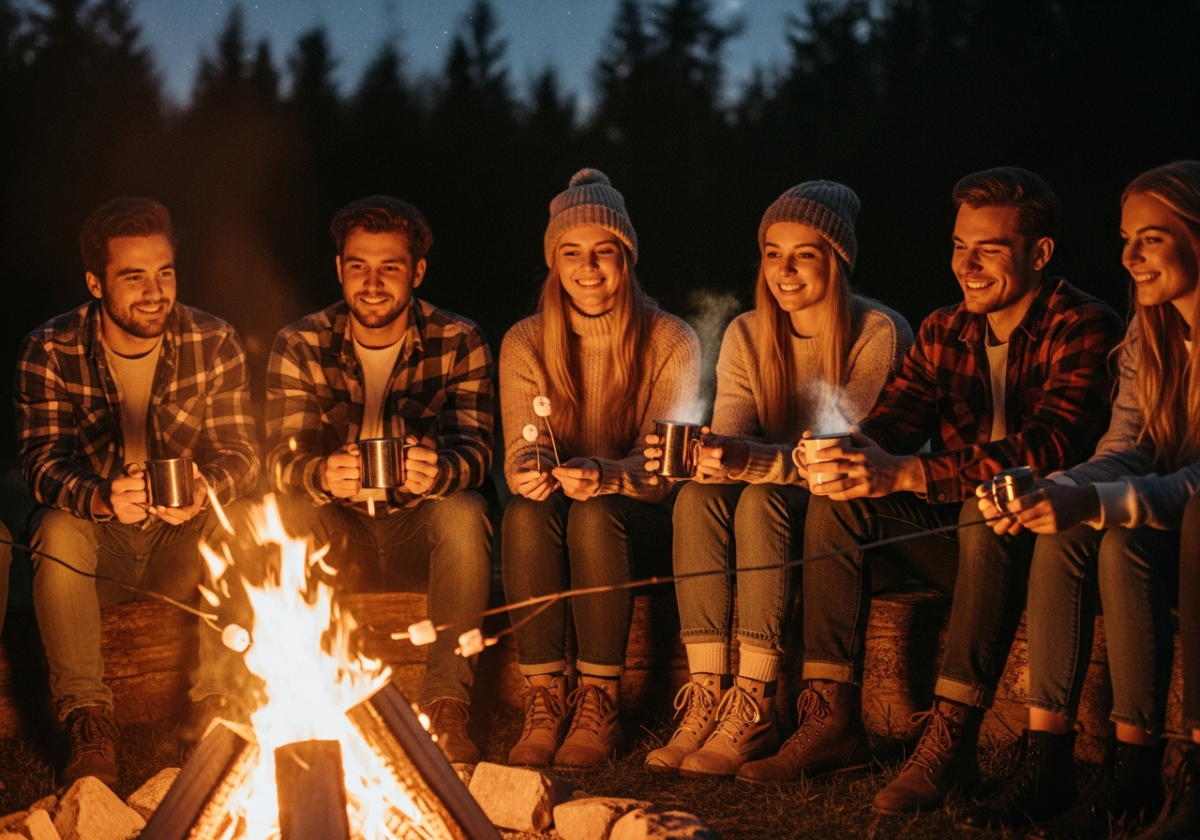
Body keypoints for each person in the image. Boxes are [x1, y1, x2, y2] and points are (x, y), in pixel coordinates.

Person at [737, 168, 1125, 811]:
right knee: (840, 498)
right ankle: (831, 718)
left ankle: (951, 738)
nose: (966, 266)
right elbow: (892, 424)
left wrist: (907, 472)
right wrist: (843, 451)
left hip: (1054, 551)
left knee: (985, 504)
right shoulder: (947, 329)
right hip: (962, 548)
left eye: (988, 250)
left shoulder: (1083, 324)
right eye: (958, 246)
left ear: (1040, 253)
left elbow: (1051, 446)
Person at [642, 181, 912, 777]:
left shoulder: (880, 333)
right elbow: (735, 442)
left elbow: (839, 460)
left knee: (762, 497)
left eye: (803, 255)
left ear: (837, 261)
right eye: (772, 253)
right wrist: (710, 455)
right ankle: (708, 694)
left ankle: (756, 703)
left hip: (851, 530)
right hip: (769, 524)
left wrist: (747, 459)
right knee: (697, 497)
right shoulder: (746, 332)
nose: (783, 271)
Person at [965, 161, 1200, 840]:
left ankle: (1161, 769)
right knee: (1076, 531)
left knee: (1125, 531)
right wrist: (1058, 489)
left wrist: (1098, 501)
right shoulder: (1151, 335)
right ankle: (1055, 757)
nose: (1130, 257)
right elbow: (1126, 448)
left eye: (1151, 239)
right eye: (1127, 239)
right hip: (1169, 523)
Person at [15, 197, 260, 786]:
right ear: (95, 283)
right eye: (134, 277)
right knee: (56, 527)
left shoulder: (213, 339)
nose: (154, 292)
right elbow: (39, 462)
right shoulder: (50, 348)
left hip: (180, 544)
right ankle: (88, 719)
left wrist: (205, 487)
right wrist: (100, 496)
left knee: (245, 516)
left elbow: (242, 453)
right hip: (97, 546)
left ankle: (215, 709)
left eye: (164, 273)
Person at [265, 195, 494, 764]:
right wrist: (320, 474)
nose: (372, 283)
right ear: (339, 269)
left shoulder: (458, 339)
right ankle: (305, 702)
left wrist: (440, 471)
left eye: (389, 267)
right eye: (358, 266)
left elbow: (478, 450)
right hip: (340, 538)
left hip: (417, 530)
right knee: (288, 511)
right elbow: (277, 459)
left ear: (417, 272)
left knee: (465, 511)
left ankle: (446, 704)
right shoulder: (300, 342)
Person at [500, 169, 700, 767]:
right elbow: (522, 446)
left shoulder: (671, 340)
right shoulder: (525, 342)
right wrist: (530, 468)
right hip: (560, 514)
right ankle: (544, 698)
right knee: (524, 513)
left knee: (595, 513)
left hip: (643, 521)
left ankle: (598, 700)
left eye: (603, 251)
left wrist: (607, 476)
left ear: (626, 257)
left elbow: (663, 470)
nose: (588, 267)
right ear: (554, 263)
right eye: (571, 252)